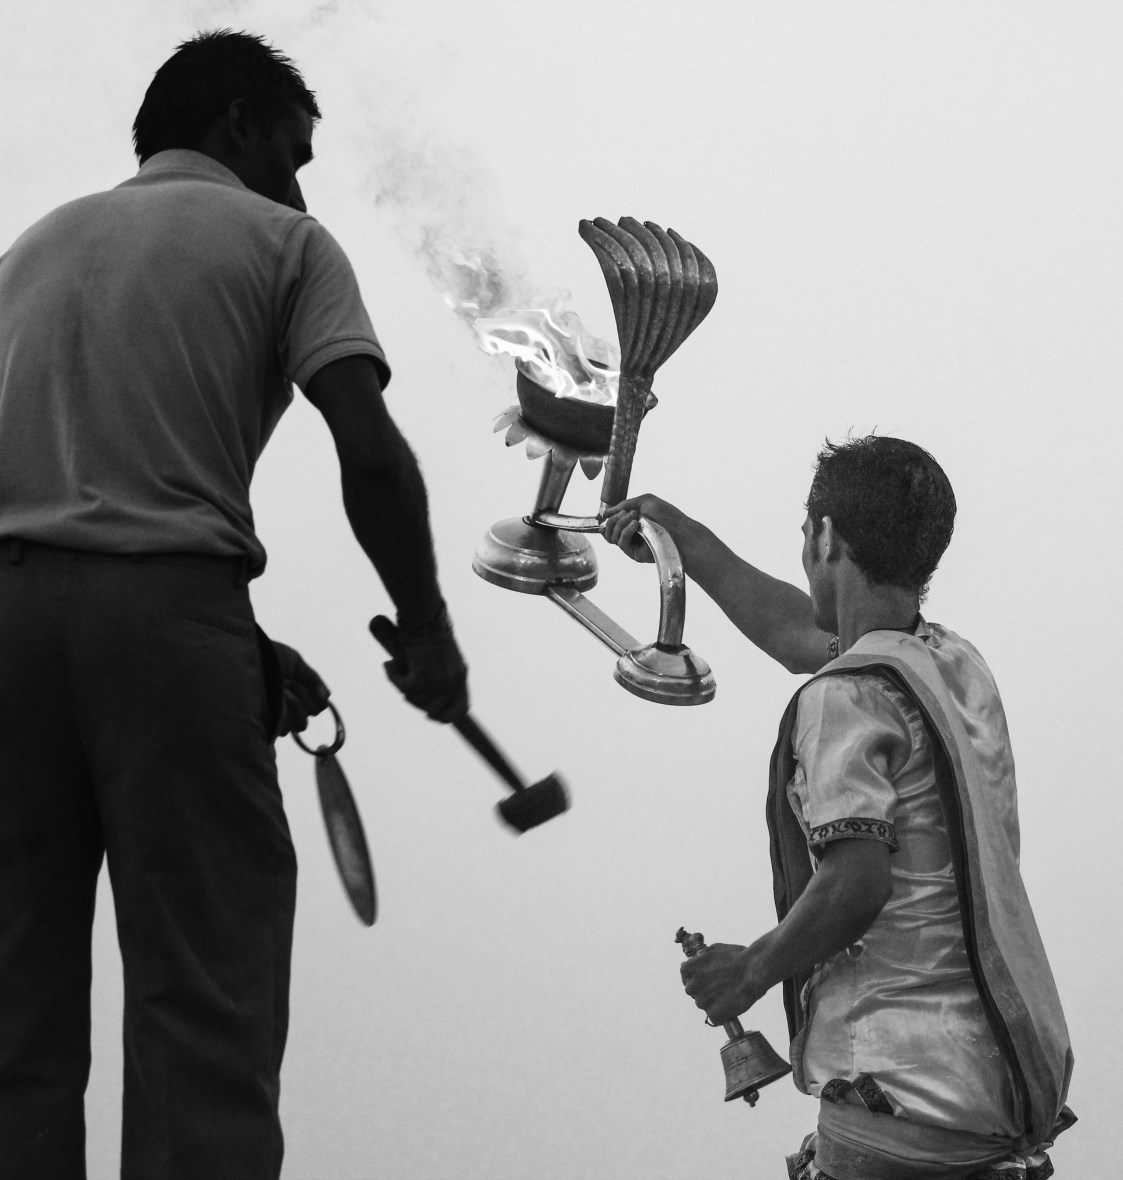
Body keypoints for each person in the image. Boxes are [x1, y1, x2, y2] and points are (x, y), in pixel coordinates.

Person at [0, 29, 468, 1180]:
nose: (300, 186)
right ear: (238, 125)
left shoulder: (29, 250)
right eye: (293, 154)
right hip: (167, 629)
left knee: (15, 1011)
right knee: (206, 999)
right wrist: (427, 628)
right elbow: (371, 455)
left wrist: (239, 645)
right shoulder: (285, 243)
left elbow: (79, 500)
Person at [602, 436, 1074, 1180]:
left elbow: (857, 882)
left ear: (824, 537)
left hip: (902, 1103)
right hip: (1000, 1096)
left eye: (804, 532)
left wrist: (751, 968)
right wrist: (684, 539)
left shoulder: (844, 698)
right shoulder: (951, 663)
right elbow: (801, 635)